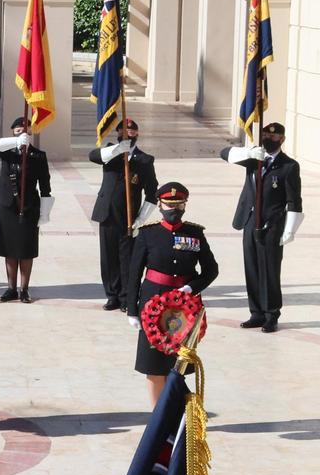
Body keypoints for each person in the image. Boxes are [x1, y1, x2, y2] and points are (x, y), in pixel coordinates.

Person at [127, 183, 218, 406]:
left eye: (179, 205)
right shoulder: (148, 234)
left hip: (183, 309)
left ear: (185, 205)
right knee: (154, 365)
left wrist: (191, 288)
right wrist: (132, 309)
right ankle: (156, 415)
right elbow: (133, 273)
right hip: (153, 307)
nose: (173, 209)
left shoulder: (195, 234)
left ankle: (173, 413)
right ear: (160, 205)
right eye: (169, 205)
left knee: (176, 366)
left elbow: (211, 270)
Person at [218, 122, 303, 333]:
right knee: (252, 268)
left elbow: (294, 200)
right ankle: (255, 312)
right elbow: (224, 153)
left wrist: (290, 230)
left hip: (272, 225)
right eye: (266, 134)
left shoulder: (289, 166)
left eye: (274, 137)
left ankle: (271, 314)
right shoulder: (253, 159)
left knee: (270, 272)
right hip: (249, 221)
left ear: (282, 139)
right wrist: (248, 151)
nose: (269, 138)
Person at [88, 119, 159, 311]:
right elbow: (93, 156)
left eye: (132, 130)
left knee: (128, 259)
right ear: (118, 132)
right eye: (124, 129)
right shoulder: (110, 153)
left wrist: (141, 219)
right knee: (108, 258)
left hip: (129, 218)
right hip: (107, 214)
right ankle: (112, 295)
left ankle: (127, 297)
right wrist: (119, 150)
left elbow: (153, 192)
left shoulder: (145, 160)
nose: (128, 132)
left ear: (137, 133)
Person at [0, 117, 53, 303]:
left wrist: (45, 212)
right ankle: (11, 288)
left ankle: (24, 289)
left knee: (26, 248)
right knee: (9, 247)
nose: (21, 130)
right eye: (17, 128)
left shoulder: (38, 156)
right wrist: (16, 142)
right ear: (13, 131)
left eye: (25, 128)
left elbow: (45, 185)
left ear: (31, 132)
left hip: (29, 206)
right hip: (6, 204)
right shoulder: (7, 151)